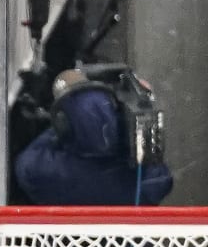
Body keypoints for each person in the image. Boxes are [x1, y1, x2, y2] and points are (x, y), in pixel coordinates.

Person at [14, 69, 173, 207]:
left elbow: (27, 164)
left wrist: (55, 125)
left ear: (64, 125)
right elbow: (159, 174)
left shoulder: (47, 172)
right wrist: (143, 106)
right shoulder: (146, 181)